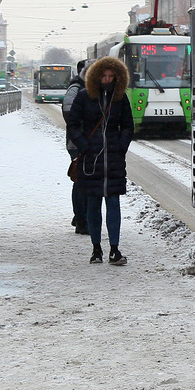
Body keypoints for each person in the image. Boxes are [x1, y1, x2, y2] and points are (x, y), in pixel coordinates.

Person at [67, 55, 134, 265]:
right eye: (103, 76)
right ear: (96, 77)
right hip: (91, 160)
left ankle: (114, 249)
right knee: (93, 204)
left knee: (113, 203)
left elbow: (128, 125)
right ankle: (96, 249)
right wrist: (84, 146)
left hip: (113, 159)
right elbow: (73, 124)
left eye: (111, 76)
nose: (107, 80)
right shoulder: (84, 97)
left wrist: (121, 146)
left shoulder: (120, 98)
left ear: (117, 78)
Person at [62, 60, 89, 234]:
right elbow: (68, 113)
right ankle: (81, 218)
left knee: (85, 180)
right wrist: (80, 132)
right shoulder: (76, 88)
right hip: (77, 142)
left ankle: (81, 215)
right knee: (80, 180)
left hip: (86, 140)